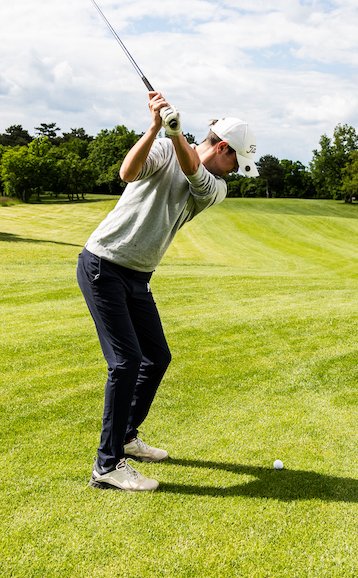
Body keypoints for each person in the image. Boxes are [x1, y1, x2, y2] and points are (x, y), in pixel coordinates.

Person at [77, 91, 258, 492]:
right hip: (104, 264)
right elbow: (126, 173)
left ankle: (126, 436)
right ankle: (107, 465)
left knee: (156, 357)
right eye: (236, 162)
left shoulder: (215, 187)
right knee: (125, 362)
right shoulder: (161, 148)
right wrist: (157, 127)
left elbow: (195, 173)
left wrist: (175, 134)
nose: (235, 172)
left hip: (138, 276)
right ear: (224, 148)